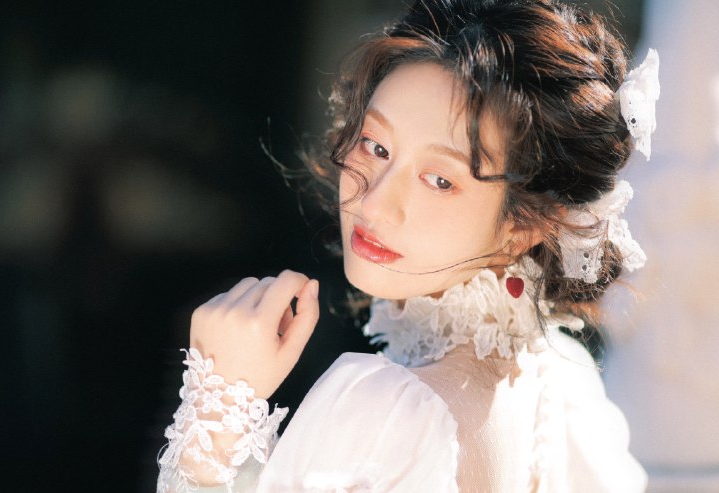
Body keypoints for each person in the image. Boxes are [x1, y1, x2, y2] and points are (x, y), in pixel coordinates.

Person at [156, 0, 658, 491]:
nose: (375, 204)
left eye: (439, 180)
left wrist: (215, 418)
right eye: (377, 147)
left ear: (524, 225)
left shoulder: (385, 411)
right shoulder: (558, 383)